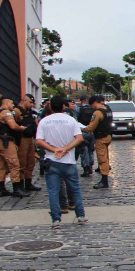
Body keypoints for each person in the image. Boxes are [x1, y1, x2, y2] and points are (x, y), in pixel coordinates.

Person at [36, 97, 88, 228]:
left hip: (52, 160)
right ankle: (81, 215)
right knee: (75, 189)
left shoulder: (44, 121)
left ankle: (56, 219)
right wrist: (66, 148)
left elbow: (39, 141)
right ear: (63, 107)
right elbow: (79, 138)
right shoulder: (71, 120)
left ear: (51, 107)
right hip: (68, 161)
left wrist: (54, 149)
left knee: (53, 191)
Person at [0, 97, 29, 198]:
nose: (13, 106)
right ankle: (16, 188)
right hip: (5, 141)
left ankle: (1, 189)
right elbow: (12, 126)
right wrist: (21, 128)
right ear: (7, 103)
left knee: (2, 164)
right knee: (14, 164)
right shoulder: (6, 112)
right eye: (12, 103)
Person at [83, 95, 113, 189]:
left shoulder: (98, 113)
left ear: (94, 103)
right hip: (108, 136)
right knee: (106, 157)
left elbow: (91, 128)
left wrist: (81, 128)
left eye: (91, 105)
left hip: (100, 138)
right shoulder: (107, 109)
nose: (91, 107)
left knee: (102, 159)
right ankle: (104, 179)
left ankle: (104, 181)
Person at [13, 95, 41, 191]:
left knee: (30, 162)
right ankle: (20, 184)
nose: (32, 105)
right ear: (24, 101)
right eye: (30, 102)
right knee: (22, 162)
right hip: (22, 138)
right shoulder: (17, 111)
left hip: (30, 138)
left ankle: (28, 183)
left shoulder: (30, 112)